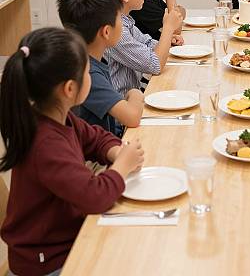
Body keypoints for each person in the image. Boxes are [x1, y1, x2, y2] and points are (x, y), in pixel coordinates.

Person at [0, 28, 144, 276]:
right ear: (69, 89)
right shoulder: (45, 145)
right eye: (88, 72)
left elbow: (95, 138)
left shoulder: (59, 117)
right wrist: (122, 166)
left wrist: (116, 151)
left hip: (64, 238)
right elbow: (94, 197)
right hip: (46, 262)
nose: (91, 76)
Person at [57, 0, 145, 135]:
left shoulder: (90, 61)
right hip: (97, 155)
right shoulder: (88, 73)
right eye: (119, 19)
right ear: (106, 32)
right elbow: (132, 117)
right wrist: (135, 92)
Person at [89, 0, 182, 96]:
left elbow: (148, 43)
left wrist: (168, 40)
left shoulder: (124, 19)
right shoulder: (113, 29)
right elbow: (155, 65)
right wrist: (168, 29)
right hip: (123, 106)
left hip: (134, 95)